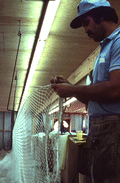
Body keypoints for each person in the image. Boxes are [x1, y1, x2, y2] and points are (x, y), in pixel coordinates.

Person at [50, 0, 120, 182]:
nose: (85, 30)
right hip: (100, 130)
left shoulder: (118, 42)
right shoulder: (103, 50)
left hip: (114, 131)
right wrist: (72, 88)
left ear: (102, 15)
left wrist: (73, 88)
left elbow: (115, 89)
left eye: (86, 22)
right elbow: (95, 101)